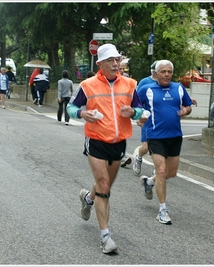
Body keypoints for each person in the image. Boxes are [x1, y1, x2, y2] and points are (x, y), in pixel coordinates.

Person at [67, 43, 143, 254]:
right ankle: (105, 237)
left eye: (117, 59)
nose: (115, 63)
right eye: (110, 60)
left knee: (105, 186)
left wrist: (134, 113)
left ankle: (88, 198)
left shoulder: (130, 84)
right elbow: (70, 107)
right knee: (103, 185)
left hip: (118, 143)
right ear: (100, 63)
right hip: (96, 140)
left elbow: (141, 110)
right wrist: (82, 114)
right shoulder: (87, 85)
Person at [137, 59, 193, 225]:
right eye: (163, 72)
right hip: (155, 135)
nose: (167, 74)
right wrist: (139, 116)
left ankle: (149, 181)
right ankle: (163, 210)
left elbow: (188, 106)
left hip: (175, 136)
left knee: (171, 172)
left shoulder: (179, 88)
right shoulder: (146, 89)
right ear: (156, 73)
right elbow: (136, 105)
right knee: (161, 170)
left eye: (169, 72)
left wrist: (185, 111)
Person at [133, 60, 159, 175]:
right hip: (147, 118)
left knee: (161, 144)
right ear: (154, 72)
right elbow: (136, 101)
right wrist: (139, 116)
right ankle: (138, 155)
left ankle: (157, 169)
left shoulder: (166, 83)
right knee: (147, 146)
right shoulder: (145, 82)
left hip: (161, 119)